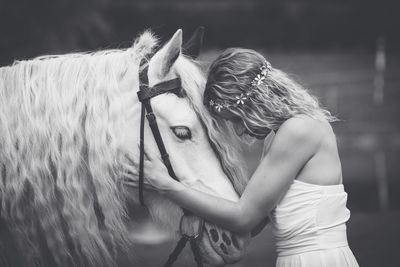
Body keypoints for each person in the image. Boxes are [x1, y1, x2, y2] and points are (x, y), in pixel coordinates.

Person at [138, 48, 359, 266]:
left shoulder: (299, 131)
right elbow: (254, 220)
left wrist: (166, 186)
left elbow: (244, 217)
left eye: (236, 119)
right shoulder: (278, 136)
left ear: (254, 102)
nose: (239, 132)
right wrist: (198, 215)